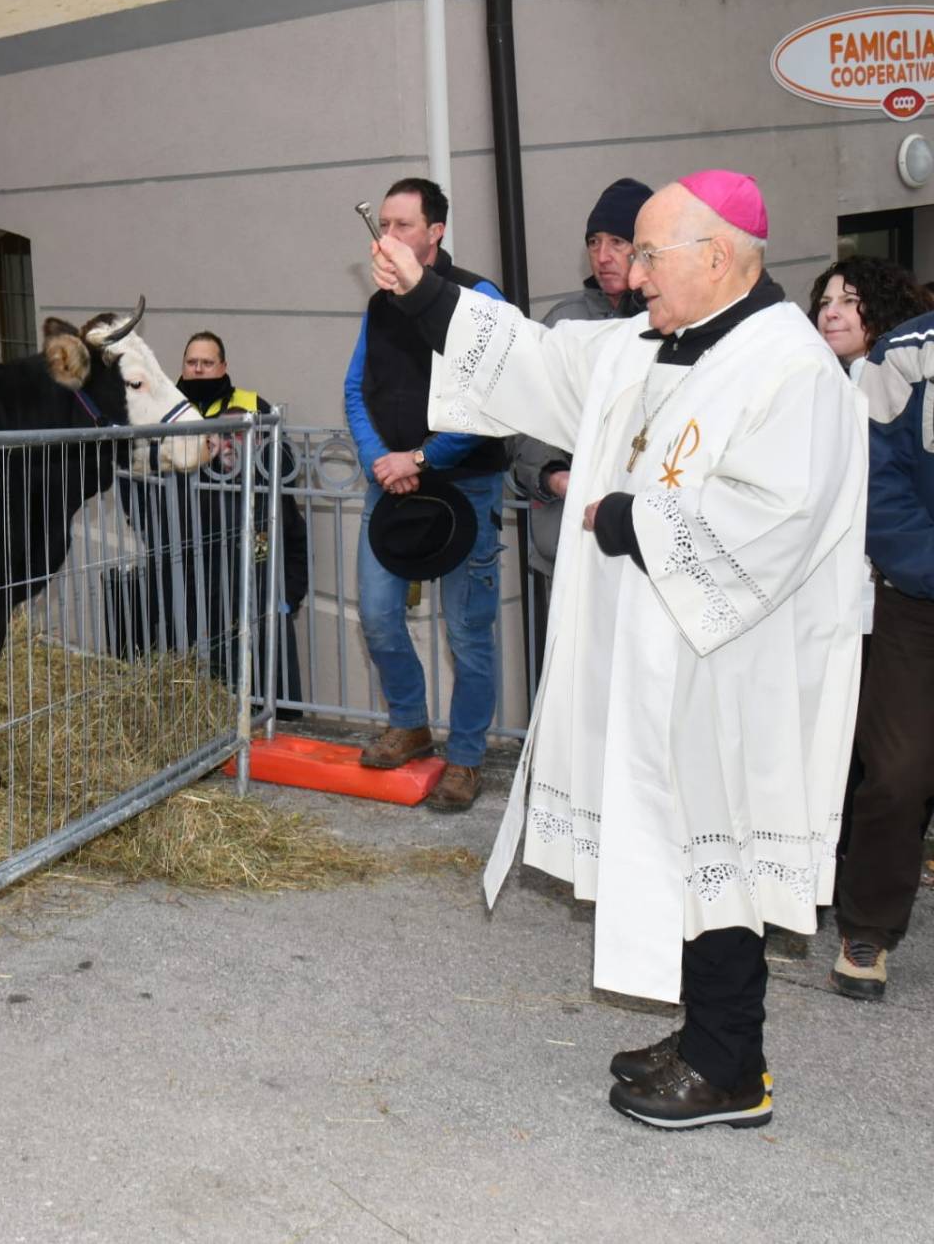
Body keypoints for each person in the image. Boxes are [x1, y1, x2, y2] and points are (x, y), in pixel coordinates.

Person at [369, 171, 867, 1130]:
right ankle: (708, 1039)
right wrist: (425, 292)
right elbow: (539, 359)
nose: (631, 276)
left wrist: (633, 518)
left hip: (733, 669)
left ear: (715, 255)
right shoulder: (647, 343)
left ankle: (732, 1069)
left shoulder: (791, 366)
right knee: (678, 847)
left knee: (720, 852)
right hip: (656, 656)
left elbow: (779, 516)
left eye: (648, 255)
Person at [344, 177, 508, 813]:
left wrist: (419, 458)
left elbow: (489, 400)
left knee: (467, 633)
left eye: (402, 225)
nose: (387, 236)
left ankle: (465, 757)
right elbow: (356, 390)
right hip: (392, 486)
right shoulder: (379, 304)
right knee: (378, 614)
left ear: (435, 232)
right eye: (383, 224)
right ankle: (410, 723)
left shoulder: (480, 297)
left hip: (465, 488)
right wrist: (379, 462)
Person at [114, 333, 308, 708]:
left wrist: (241, 448)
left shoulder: (251, 403)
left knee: (252, 646)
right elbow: (132, 467)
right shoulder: (164, 406)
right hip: (182, 549)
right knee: (188, 646)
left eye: (207, 362)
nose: (199, 369)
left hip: (244, 547)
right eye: (192, 362)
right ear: (182, 366)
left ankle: (262, 713)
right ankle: (199, 716)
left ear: (223, 366)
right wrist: (150, 528)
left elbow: (284, 467)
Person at [833, 305, 934, 1000]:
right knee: (896, 771)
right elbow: (874, 475)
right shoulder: (905, 355)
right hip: (916, 599)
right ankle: (867, 926)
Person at [514, 178, 653, 658]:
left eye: (618, 241)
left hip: (644, 542)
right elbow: (529, 419)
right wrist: (551, 476)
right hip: (570, 538)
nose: (603, 256)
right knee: (570, 670)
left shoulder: (670, 319)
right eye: (594, 242)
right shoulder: (564, 320)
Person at [807, 257, 930, 370]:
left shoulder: (918, 377)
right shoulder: (815, 376)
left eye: (849, 301)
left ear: (885, 308)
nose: (829, 313)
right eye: (825, 303)